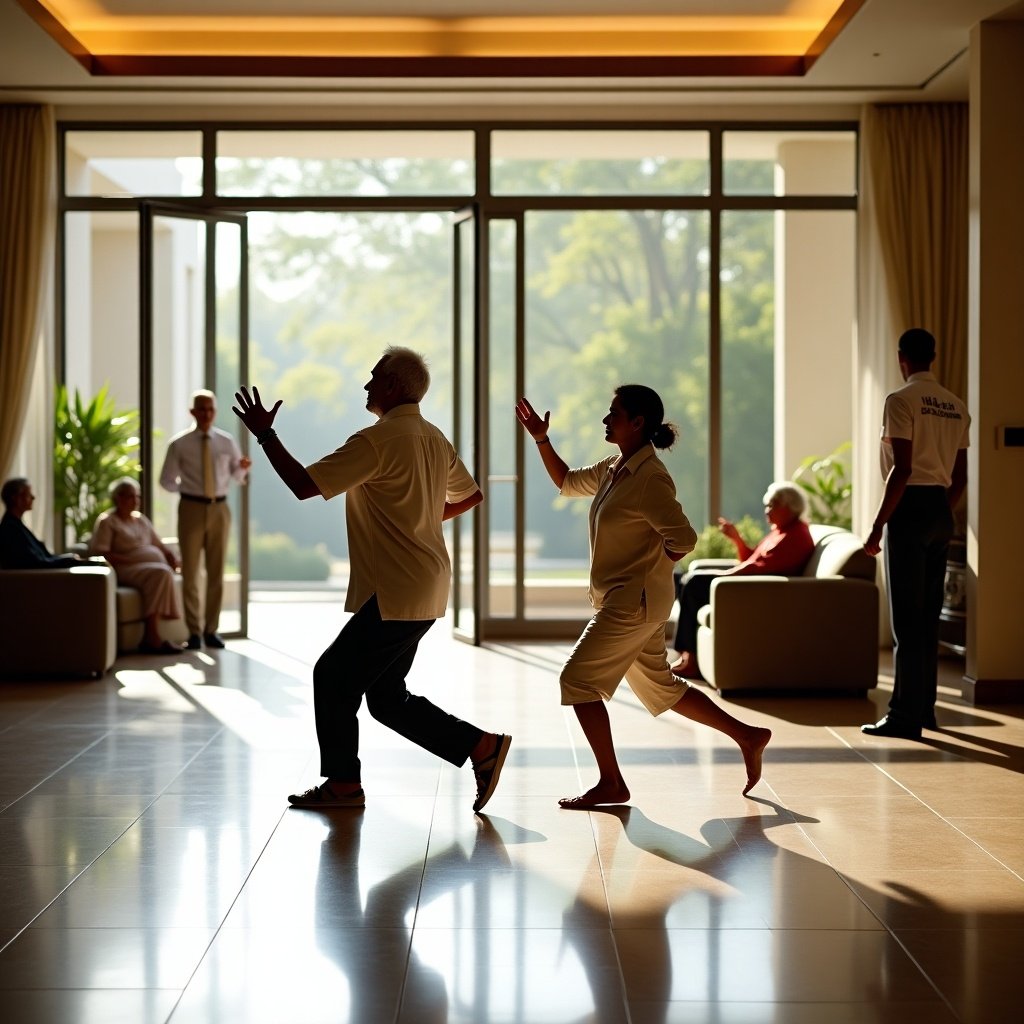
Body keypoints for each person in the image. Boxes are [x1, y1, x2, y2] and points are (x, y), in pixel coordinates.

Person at [232, 346, 511, 812]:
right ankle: (480, 747)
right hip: (425, 582)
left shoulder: (375, 441)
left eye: (373, 377)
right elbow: (472, 494)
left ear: (392, 386)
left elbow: (304, 486)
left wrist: (266, 436)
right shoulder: (435, 438)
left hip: (400, 587)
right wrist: (423, 518)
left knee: (332, 676)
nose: (366, 385)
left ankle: (344, 786)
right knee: (384, 697)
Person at [515, 386, 771, 809]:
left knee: (576, 681)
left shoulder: (650, 478)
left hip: (632, 604)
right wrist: (542, 439)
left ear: (637, 423)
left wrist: (650, 570)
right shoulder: (616, 467)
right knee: (664, 688)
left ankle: (612, 782)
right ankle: (749, 736)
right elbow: (565, 480)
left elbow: (683, 538)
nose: (605, 419)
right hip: (628, 601)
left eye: (613, 412)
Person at [862, 328, 969, 740]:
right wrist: (943, 509)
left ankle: (904, 716)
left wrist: (877, 526)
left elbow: (901, 469)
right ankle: (925, 709)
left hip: (910, 508)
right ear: (934, 357)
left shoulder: (900, 400)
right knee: (927, 618)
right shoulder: (956, 406)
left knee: (906, 621)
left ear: (901, 357)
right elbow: (960, 476)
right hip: (942, 509)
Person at [670, 481, 815, 679]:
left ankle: (691, 657)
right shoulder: (779, 532)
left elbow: (759, 568)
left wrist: (723, 576)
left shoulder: (796, 535)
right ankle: (687, 652)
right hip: (746, 583)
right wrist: (736, 538)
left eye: (772, 505)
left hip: (753, 592)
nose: (767, 510)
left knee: (693, 582)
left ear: (790, 507)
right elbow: (753, 558)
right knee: (681, 579)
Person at [159, 389, 251, 650]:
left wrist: (242, 469)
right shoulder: (179, 444)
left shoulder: (226, 441)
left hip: (219, 509)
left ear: (215, 411)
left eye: (211, 409)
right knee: (190, 572)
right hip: (191, 507)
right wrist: (188, 491)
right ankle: (194, 632)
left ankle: (212, 630)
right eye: (201, 409)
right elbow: (166, 480)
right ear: (192, 412)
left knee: (217, 571)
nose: (207, 414)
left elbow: (236, 476)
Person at [88, 477, 183, 654]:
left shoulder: (141, 520)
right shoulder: (108, 521)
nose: (135, 501)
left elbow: (160, 545)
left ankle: (155, 636)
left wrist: (170, 555)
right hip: (123, 569)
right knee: (161, 573)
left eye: (137, 496)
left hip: (146, 568)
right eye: (131, 496)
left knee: (163, 571)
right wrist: (134, 560)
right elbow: (101, 553)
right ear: (118, 498)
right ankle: (152, 638)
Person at [0, 478, 82, 569]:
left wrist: (69, 558)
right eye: (28, 494)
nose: (33, 497)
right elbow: (35, 563)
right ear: (16, 498)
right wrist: (69, 560)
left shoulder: (16, 525)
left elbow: (44, 558)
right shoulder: (11, 529)